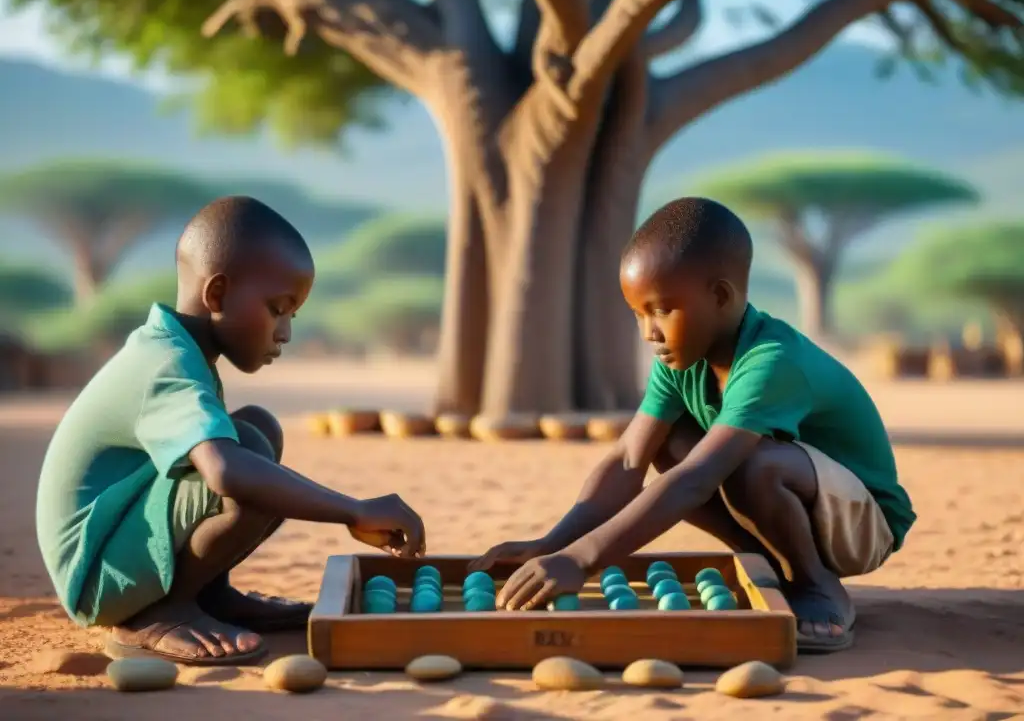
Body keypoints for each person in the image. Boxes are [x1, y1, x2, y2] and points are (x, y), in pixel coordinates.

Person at [470, 197, 915, 653]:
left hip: (862, 525)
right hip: (799, 506)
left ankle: (817, 583)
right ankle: (773, 561)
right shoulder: (682, 359)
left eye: (661, 310)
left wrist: (582, 561)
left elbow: (697, 480)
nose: (649, 333)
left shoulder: (771, 362)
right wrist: (553, 546)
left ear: (720, 297)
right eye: (638, 314)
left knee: (751, 465)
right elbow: (628, 459)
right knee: (670, 444)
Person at [36, 196, 427, 666]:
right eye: (277, 309)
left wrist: (347, 508)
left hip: (114, 546)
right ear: (217, 294)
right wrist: (353, 510)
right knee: (246, 460)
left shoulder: (178, 350)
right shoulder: (166, 366)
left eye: (292, 316)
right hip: (98, 578)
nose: (283, 333)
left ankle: (207, 596)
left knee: (257, 428)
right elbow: (225, 474)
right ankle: (155, 615)